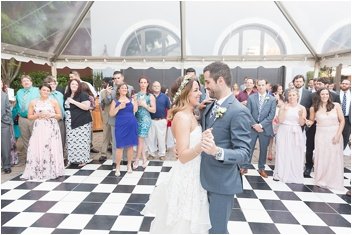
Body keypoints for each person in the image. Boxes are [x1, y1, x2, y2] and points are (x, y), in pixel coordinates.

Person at [141, 75, 211, 233]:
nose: (200, 93)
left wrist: (200, 106)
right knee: (183, 221)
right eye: (196, 90)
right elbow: (184, 156)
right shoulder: (181, 118)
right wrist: (202, 145)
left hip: (195, 173)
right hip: (187, 175)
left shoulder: (190, 114)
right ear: (185, 93)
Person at [201, 61, 252, 233]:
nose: (205, 87)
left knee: (218, 229)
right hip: (204, 178)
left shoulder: (238, 111)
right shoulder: (210, 106)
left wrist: (217, 151)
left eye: (208, 82)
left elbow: (244, 153)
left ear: (220, 80)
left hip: (222, 182)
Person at [21, 84, 64, 180]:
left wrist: (51, 114)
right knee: (38, 146)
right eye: (44, 90)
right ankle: (39, 169)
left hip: (52, 127)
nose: (46, 92)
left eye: (48, 90)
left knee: (51, 147)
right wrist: (38, 115)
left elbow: (59, 115)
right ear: (40, 91)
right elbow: (29, 116)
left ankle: (53, 169)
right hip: (39, 128)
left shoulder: (53, 102)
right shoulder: (33, 102)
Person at [307, 88, 345, 191]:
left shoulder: (336, 105)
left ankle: (333, 180)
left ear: (329, 95)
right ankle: (321, 179)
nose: (324, 96)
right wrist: (303, 120)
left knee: (334, 157)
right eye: (322, 94)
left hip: (334, 133)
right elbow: (311, 121)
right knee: (322, 157)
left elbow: (342, 121)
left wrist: (338, 135)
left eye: (326, 94)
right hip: (321, 135)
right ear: (319, 96)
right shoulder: (314, 108)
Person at [304, 76, 340, 177]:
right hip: (313, 125)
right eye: (316, 84)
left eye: (319, 84)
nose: (317, 85)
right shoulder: (311, 95)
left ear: (326, 85)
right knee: (310, 147)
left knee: (327, 149)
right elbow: (307, 109)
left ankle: (326, 168)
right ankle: (308, 166)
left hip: (329, 128)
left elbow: (337, 112)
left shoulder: (335, 96)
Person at [241, 79, 277, 178]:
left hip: (264, 128)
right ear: (256, 86)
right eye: (259, 85)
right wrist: (254, 125)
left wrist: (260, 125)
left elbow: (271, 115)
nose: (261, 87)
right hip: (252, 128)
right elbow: (248, 113)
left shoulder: (272, 99)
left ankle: (261, 168)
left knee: (263, 149)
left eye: (262, 85)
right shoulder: (251, 98)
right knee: (249, 147)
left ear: (266, 86)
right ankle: (244, 166)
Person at [273, 89, 306, 183]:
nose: (291, 97)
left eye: (294, 95)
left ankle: (294, 173)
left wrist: (300, 116)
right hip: (284, 130)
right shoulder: (283, 106)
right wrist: (284, 110)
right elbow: (280, 121)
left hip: (296, 131)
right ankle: (280, 173)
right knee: (282, 151)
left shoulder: (302, 108)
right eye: (290, 95)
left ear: (297, 96)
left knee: (295, 152)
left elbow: (302, 123)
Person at [109, 83, 138, 176]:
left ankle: (129, 165)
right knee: (119, 146)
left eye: (126, 88)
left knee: (130, 146)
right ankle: (118, 167)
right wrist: (119, 107)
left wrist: (136, 100)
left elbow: (135, 110)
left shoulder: (131, 100)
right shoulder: (115, 101)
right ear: (119, 90)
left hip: (131, 124)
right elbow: (111, 114)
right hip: (120, 125)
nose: (125, 89)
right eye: (123, 88)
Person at [69, 70, 99, 154]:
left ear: (76, 76)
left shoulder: (87, 84)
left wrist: (86, 102)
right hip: (74, 112)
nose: (70, 79)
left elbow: (93, 95)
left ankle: (89, 146)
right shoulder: (69, 85)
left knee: (87, 130)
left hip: (86, 110)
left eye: (71, 77)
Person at [64, 79, 92, 167]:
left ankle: (83, 159)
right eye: (72, 84)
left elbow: (86, 107)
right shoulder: (67, 95)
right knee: (71, 141)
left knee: (82, 141)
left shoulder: (83, 94)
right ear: (69, 85)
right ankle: (71, 159)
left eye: (76, 84)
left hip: (81, 121)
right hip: (70, 121)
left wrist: (73, 102)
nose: (74, 86)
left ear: (79, 86)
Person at [14, 75, 40, 159]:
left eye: (27, 80)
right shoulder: (19, 92)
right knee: (25, 139)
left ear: (31, 82)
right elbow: (16, 103)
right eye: (24, 81)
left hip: (34, 118)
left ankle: (37, 157)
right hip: (22, 119)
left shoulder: (37, 90)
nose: (26, 82)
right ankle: (29, 158)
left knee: (36, 138)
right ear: (22, 84)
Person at [133, 76, 156, 169]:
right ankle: (144, 159)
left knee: (140, 139)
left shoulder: (150, 96)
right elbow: (134, 109)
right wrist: (135, 102)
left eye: (144, 82)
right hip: (137, 118)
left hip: (146, 119)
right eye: (141, 82)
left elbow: (154, 110)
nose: (143, 84)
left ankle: (137, 159)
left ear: (147, 84)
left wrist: (145, 105)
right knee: (140, 140)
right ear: (139, 84)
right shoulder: (136, 95)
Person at [146, 81, 171, 160]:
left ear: (160, 87)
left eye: (158, 86)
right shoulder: (149, 96)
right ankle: (151, 154)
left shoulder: (165, 97)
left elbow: (169, 109)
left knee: (161, 138)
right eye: (155, 86)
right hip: (151, 120)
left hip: (161, 120)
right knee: (151, 138)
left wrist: (167, 119)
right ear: (152, 87)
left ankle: (162, 154)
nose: (156, 88)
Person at [43, 76, 66, 158]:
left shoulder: (60, 94)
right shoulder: (45, 95)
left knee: (62, 139)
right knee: (51, 139)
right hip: (50, 121)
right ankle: (51, 157)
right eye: (50, 84)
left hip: (61, 120)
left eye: (54, 83)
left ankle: (61, 156)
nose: (52, 85)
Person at [267, 84, 284, 161]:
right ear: (276, 90)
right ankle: (270, 152)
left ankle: (278, 152)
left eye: (281, 89)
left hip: (280, 117)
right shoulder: (271, 97)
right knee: (271, 136)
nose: (281, 90)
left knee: (279, 136)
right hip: (273, 117)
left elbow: (284, 106)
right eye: (279, 89)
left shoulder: (283, 97)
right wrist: (276, 99)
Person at [99, 77, 113, 162]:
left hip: (116, 116)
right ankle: (103, 154)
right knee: (105, 136)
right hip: (107, 116)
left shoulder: (117, 91)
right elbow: (102, 104)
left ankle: (116, 152)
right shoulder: (102, 92)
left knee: (115, 136)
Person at [1, 80, 13, 174]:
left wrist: (7, 121)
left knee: (5, 146)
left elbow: (8, 109)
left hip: (3, 124)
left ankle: (6, 166)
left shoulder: (4, 95)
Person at [339, 79, 351, 150]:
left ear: (350, 85)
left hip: (348, 119)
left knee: (345, 138)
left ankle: (340, 154)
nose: (344, 85)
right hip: (336, 119)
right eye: (343, 83)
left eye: (346, 84)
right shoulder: (335, 94)